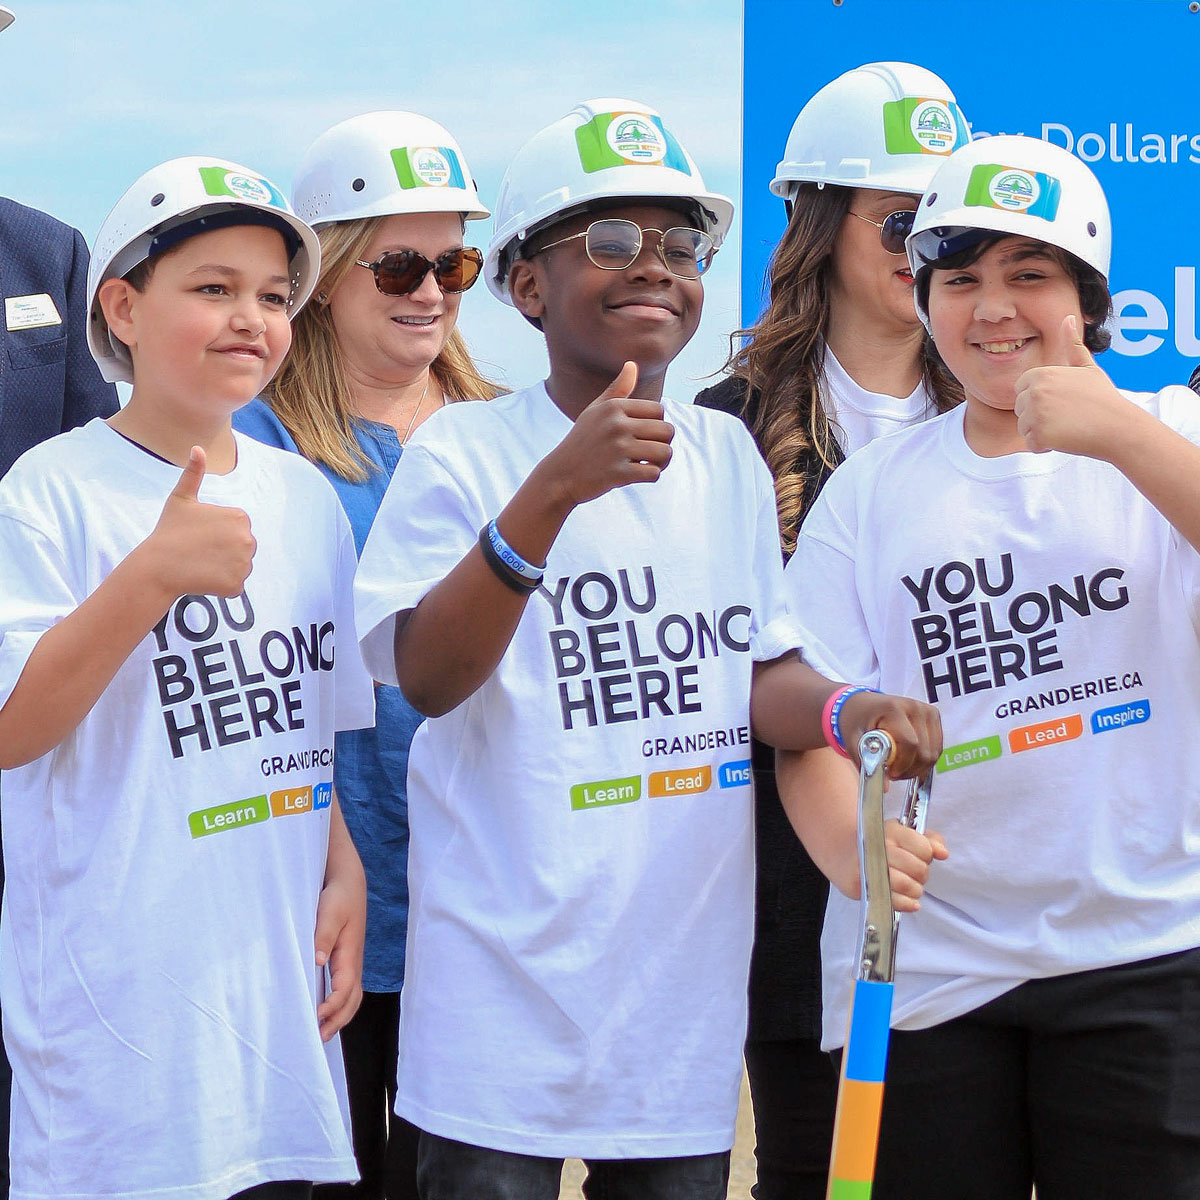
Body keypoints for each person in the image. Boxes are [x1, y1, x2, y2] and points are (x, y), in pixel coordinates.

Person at [352, 98, 942, 1200]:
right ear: (527, 286)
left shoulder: (723, 453)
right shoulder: (467, 453)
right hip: (499, 995)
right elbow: (428, 677)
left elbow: (758, 669)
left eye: (682, 244)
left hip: (675, 1004)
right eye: (612, 241)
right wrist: (552, 496)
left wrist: (845, 711)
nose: (654, 267)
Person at [781, 134, 1200, 1197]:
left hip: (1152, 950)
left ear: (1089, 296)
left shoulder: (1175, 432)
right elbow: (810, 715)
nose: (993, 308)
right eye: (958, 279)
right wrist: (849, 842)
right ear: (922, 302)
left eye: (1030, 275)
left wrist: (1123, 438)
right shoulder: (876, 488)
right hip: (927, 975)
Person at [0, 156, 376, 1200]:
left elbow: (311, 729)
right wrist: (148, 579)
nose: (247, 318)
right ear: (120, 306)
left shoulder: (303, 498)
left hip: (274, 1050)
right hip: (113, 1057)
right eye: (210, 288)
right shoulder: (50, 492)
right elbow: (10, 730)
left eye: (272, 295)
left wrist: (343, 868)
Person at [694, 61, 967, 1199]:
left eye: (946, 225)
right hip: (789, 879)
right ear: (818, 219)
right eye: (902, 221)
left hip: (972, 857)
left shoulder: (1006, 414)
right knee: (816, 1172)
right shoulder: (724, 424)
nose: (924, 251)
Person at [234, 110, 501, 1200]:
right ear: (330, 275)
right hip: (321, 885)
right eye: (398, 261)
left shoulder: (509, 434)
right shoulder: (249, 440)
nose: (429, 288)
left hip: (486, 887)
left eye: (454, 261)